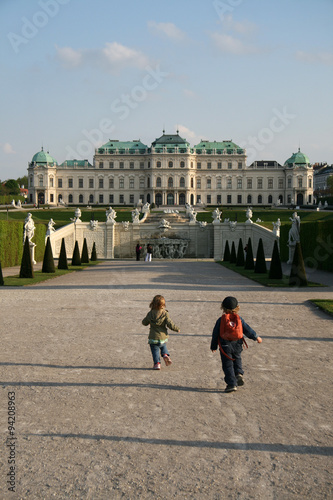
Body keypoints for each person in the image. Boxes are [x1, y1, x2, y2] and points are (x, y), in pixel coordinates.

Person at [211, 296, 262, 393]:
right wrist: (256, 337)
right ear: (237, 307)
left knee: (228, 365)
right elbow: (247, 329)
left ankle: (231, 384)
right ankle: (239, 373)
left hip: (225, 345)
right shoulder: (239, 319)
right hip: (237, 343)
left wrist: (213, 346)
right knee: (237, 357)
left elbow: (215, 334)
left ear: (222, 307)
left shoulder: (221, 320)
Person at [142, 295, 180, 370]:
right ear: (163, 304)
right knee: (163, 346)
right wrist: (176, 329)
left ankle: (157, 363)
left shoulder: (150, 313)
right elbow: (170, 323)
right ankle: (165, 354)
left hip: (153, 337)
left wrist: (149, 322)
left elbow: (144, 322)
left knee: (155, 350)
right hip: (162, 337)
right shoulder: (165, 313)